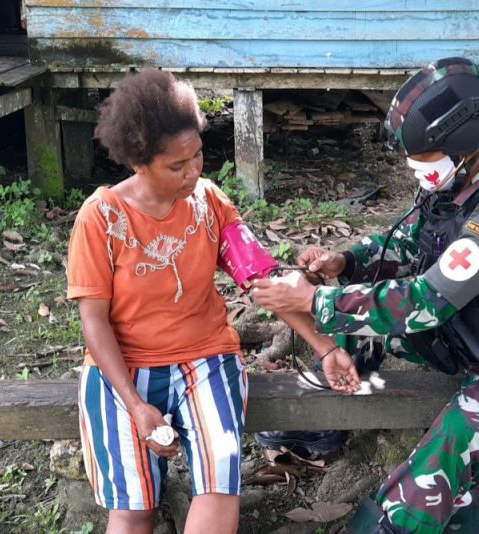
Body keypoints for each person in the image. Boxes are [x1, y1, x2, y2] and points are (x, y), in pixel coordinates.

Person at [252, 57, 479, 533]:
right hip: (469, 334)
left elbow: (425, 301)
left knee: (438, 462)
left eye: (425, 157)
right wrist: (344, 263)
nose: (415, 167)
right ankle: (318, 428)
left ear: (463, 147)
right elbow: (413, 243)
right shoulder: (460, 186)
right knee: (357, 327)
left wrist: (314, 302)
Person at [66, 69, 340, 534]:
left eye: (197, 156)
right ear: (139, 162)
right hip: (121, 370)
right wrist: (135, 405)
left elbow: (264, 282)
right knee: (133, 510)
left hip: (206, 359)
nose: (193, 171)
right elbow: (94, 322)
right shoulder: (100, 218)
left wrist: (324, 347)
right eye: (177, 166)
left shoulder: (209, 203)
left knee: (218, 488)